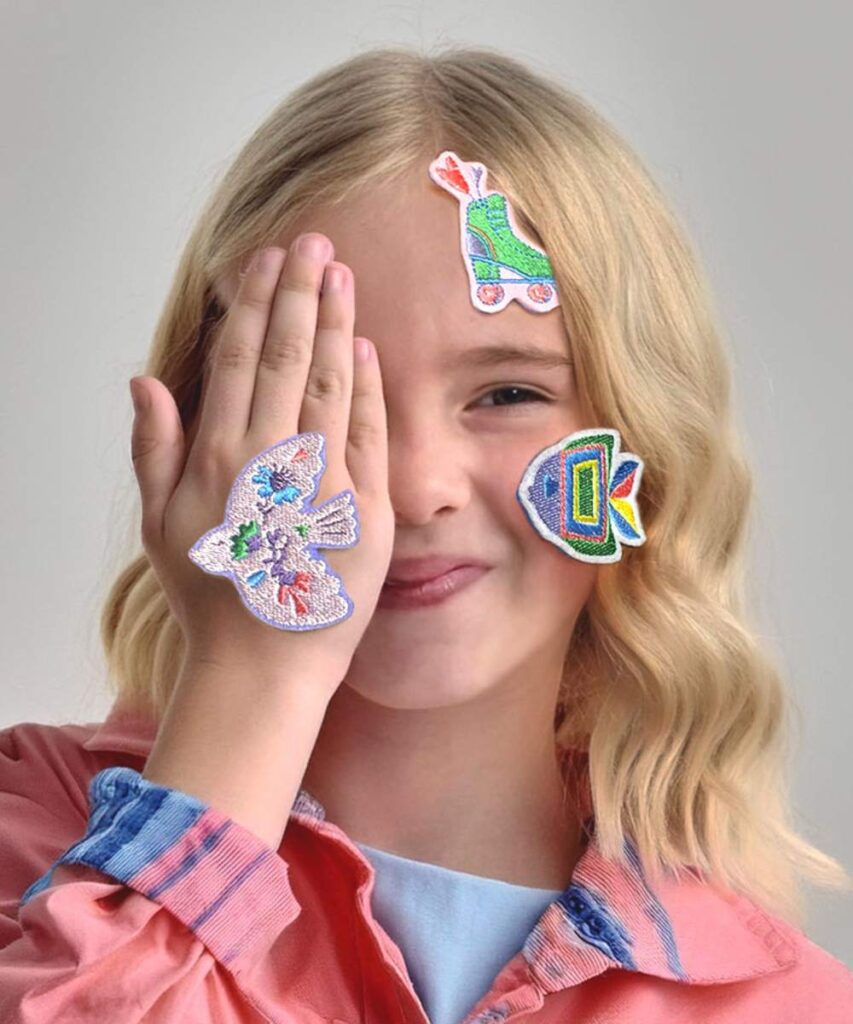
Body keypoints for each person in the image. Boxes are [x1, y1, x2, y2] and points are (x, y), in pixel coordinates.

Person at [1, 44, 851, 1023]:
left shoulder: (779, 1002)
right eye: (330, 400)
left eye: (506, 392)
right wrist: (254, 678)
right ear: (209, 436)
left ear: (646, 452)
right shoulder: (39, 831)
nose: (410, 486)